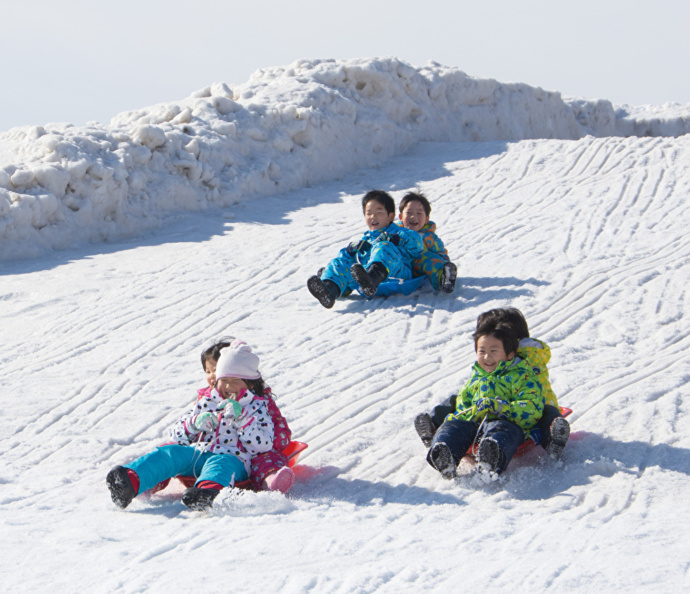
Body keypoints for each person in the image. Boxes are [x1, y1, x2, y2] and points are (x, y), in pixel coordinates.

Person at [106, 340, 277, 511]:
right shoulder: (208, 401)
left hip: (234, 459)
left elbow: (263, 445)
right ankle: (131, 481)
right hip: (200, 452)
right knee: (171, 452)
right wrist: (194, 424)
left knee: (220, 464)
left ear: (251, 383)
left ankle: (208, 493)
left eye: (235, 381)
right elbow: (176, 434)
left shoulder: (256, 407)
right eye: (223, 380)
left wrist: (243, 421)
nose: (227, 386)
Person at [415, 307, 570, 460]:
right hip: (492, 405)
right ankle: (434, 425)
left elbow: (531, 396)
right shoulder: (494, 355)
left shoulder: (523, 359)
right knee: (456, 400)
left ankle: (552, 436)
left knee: (546, 412)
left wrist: (502, 406)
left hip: (526, 404)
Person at [426, 318, 545, 478]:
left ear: (510, 354)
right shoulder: (475, 379)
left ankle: (492, 457)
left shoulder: (523, 377)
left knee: (502, 429)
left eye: (494, 351)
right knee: (452, 426)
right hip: (476, 425)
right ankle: (444, 456)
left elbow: (532, 408)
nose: (487, 357)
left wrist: (502, 408)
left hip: (508, 423)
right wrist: (466, 415)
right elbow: (463, 406)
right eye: (482, 351)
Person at [199, 339, 295, 493]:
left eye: (216, 370)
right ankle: (155, 478)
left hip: (252, 451)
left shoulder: (259, 401)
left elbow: (275, 422)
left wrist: (273, 442)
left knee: (267, 460)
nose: (212, 376)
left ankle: (271, 481)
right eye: (208, 371)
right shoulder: (206, 399)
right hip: (217, 451)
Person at [307, 190, 425, 308]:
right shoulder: (366, 239)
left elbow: (417, 244)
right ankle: (329, 290)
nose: (373, 217)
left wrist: (396, 239)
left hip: (398, 274)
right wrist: (350, 250)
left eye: (379, 212)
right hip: (364, 280)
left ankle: (372, 278)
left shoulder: (399, 232)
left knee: (383, 247)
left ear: (391, 216)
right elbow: (348, 260)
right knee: (339, 262)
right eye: (369, 213)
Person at [397, 192, 457, 293]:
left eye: (419, 213)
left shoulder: (429, 237)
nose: (413, 217)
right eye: (409, 213)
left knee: (429, 258)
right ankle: (374, 276)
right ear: (401, 217)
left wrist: (444, 265)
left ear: (427, 219)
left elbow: (441, 254)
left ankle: (442, 278)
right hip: (398, 267)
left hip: (419, 268)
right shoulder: (395, 232)